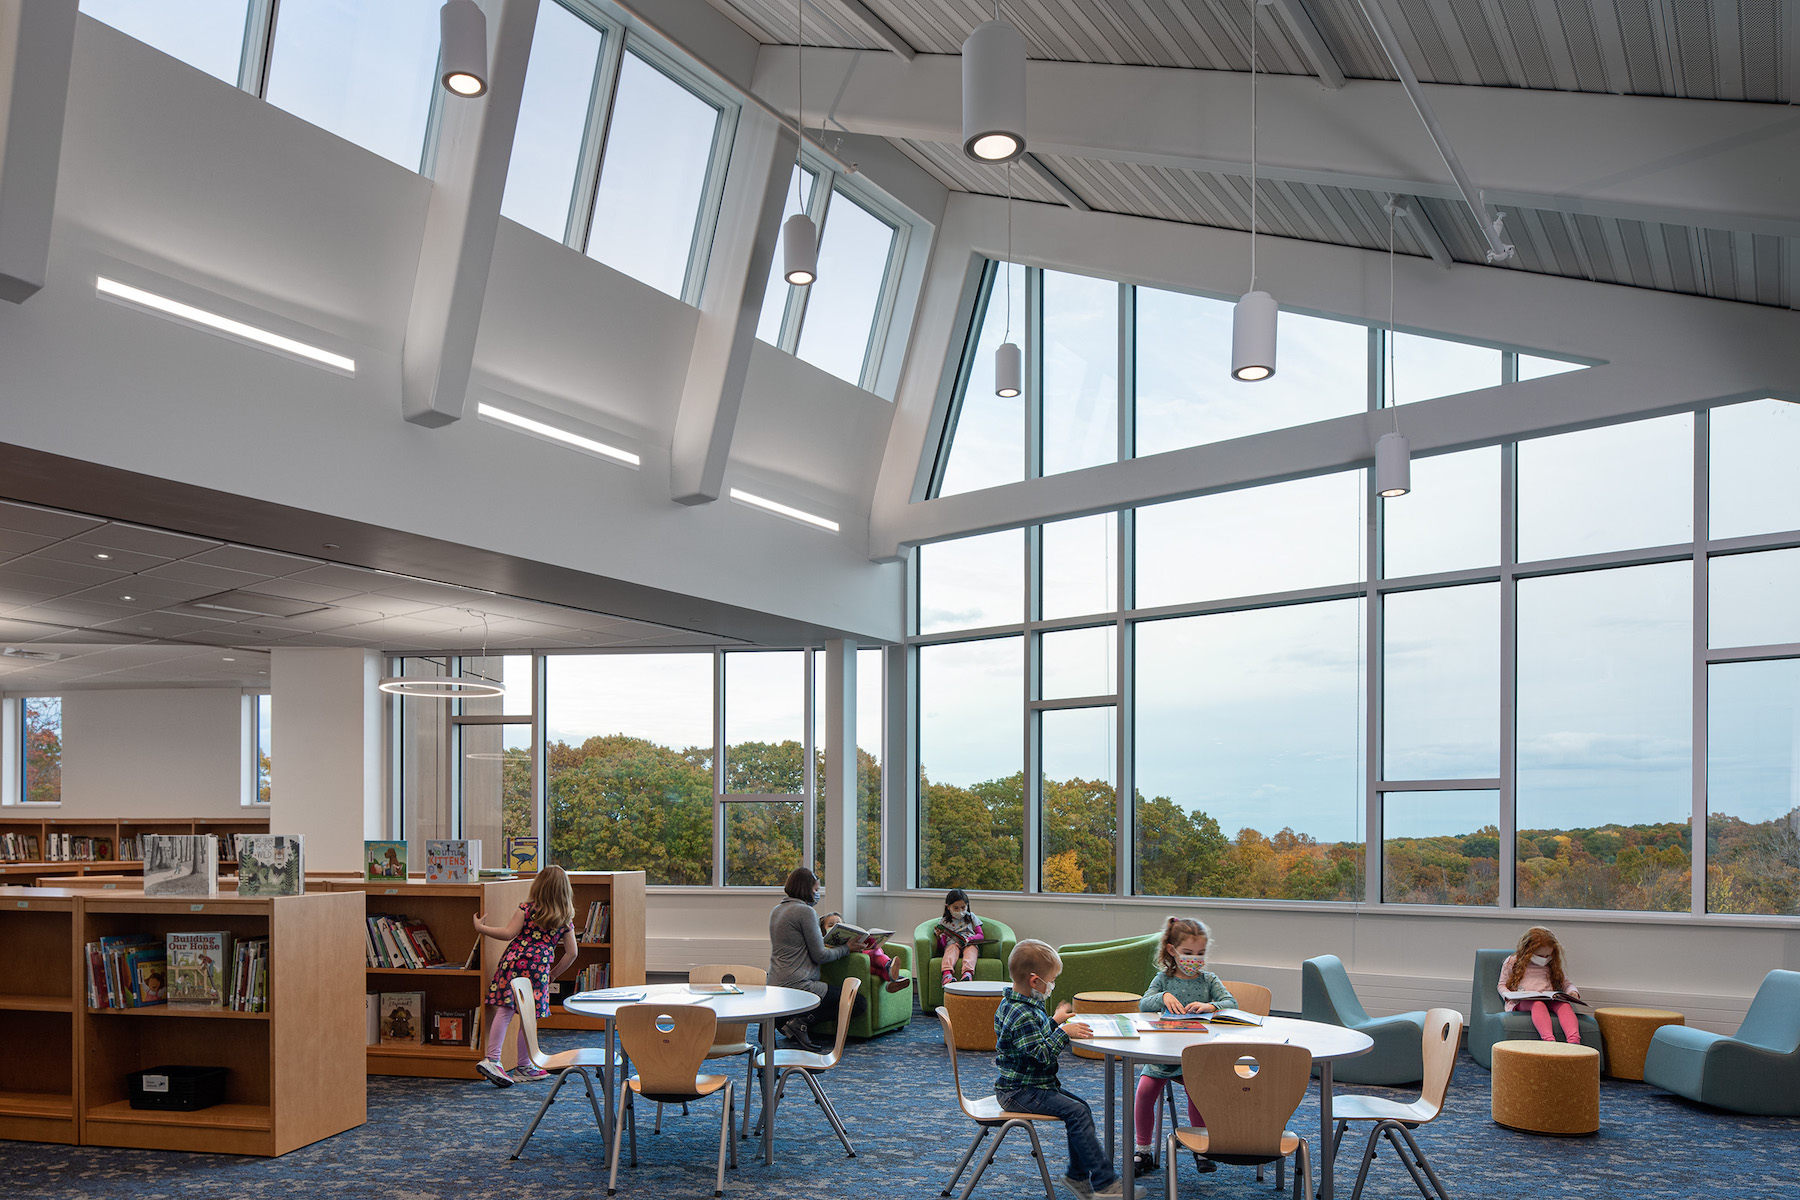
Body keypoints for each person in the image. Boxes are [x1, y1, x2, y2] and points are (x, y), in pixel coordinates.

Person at [994, 939, 1144, 1200]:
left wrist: (1053, 1021)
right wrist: (1063, 1032)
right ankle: (1105, 1183)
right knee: (1077, 1112)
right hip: (1020, 1091)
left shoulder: (1022, 1005)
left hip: (1032, 1086)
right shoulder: (1022, 1014)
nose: (1052, 986)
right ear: (1034, 981)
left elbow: (1033, 1042)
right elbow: (1041, 1055)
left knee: (1081, 1110)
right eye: (1051, 981)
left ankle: (1077, 1177)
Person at [1131, 918, 1237, 1175]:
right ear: (1172, 951)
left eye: (1200, 953)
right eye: (1188, 953)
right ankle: (1143, 1151)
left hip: (1194, 1057)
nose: (1195, 959)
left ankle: (1201, 1148)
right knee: (1144, 1092)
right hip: (1162, 1054)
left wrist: (1211, 1006)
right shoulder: (1163, 979)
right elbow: (1144, 1004)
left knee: (1197, 1094)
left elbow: (1231, 1003)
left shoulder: (1208, 980)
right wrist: (1163, 996)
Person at [473, 864, 578, 1086]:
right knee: (528, 1018)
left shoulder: (526, 909)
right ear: (564, 891)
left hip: (513, 962)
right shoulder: (564, 919)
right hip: (539, 968)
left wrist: (482, 928)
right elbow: (572, 953)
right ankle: (524, 1066)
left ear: (538, 886)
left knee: (505, 1009)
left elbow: (508, 933)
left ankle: (493, 1058)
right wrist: (553, 974)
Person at [767, 867, 869, 1053]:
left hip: (775, 984)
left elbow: (800, 946)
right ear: (806, 889)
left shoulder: (777, 910)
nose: (817, 894)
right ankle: (801, 1022)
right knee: (857, 1002)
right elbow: (820, 955)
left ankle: (793, 1022)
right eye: (815, 890)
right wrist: (847, 948)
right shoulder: (805, 912)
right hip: (799, 984)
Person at [1499, 926, 1583, 1044]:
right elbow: (1502, 985)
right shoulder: (1513, 961)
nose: (1545, 959)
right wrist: (1509, 995)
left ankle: (1574, 1041)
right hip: (1522, 1001)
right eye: (1540, 956)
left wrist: (1572, 991)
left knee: (1564, 1005)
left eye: (1548, 955)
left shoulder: (1552, 963)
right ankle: (1549, 1041)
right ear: (1528, 951)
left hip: (1548, 998)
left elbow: (1567, 983)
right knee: (1538, 1004)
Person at [817, 909, 912, 993]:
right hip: (854, 963)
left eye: (839, 924)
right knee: (876, 959)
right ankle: (889, 966)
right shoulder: (824, 944)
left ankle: (891, 979)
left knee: (877, 958)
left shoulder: (850, 938)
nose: (834, 926)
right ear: (823, 930)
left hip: (863, 961)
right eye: (830, 925)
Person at [936, 888, 984, 986]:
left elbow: (980, 935)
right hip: (953, 944)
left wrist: (969, 939)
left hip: (969, 943)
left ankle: (967, 974)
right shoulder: (944, 922)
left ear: (967, 906)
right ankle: (947, 974)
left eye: (963, 907)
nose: (960, 911)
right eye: (956, 908)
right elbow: (942, 947)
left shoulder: (971, 917)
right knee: (951, 949)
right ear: (948, 907)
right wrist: (939, 937)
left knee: (971, 950)